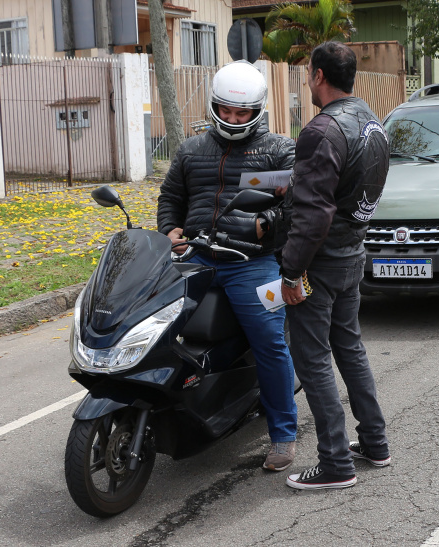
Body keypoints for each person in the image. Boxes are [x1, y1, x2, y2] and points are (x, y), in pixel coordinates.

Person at [157, 61, 299, 472]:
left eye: (243, 114)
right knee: (159, 330)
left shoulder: (278, 150)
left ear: (257, 112)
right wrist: (170, 230)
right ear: (213, 106)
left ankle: (283, 434)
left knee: (270, 342)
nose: (234, 120)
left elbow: (295, 207)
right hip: (196, 257)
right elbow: (170, 198)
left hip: (251, 264)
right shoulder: (190, 150)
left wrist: (265, 224)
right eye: (227, 111)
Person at [277, 41, 391, 490]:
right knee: (350, 348)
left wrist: (290, 271)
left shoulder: (322, 130)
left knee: (313, 359)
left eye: (308, 72)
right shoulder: (371, 121)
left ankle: (335, 463)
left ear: (319, 75)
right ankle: (375, 443)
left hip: (320, 263)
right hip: (352, 254)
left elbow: (314, 215)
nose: (307, 79)